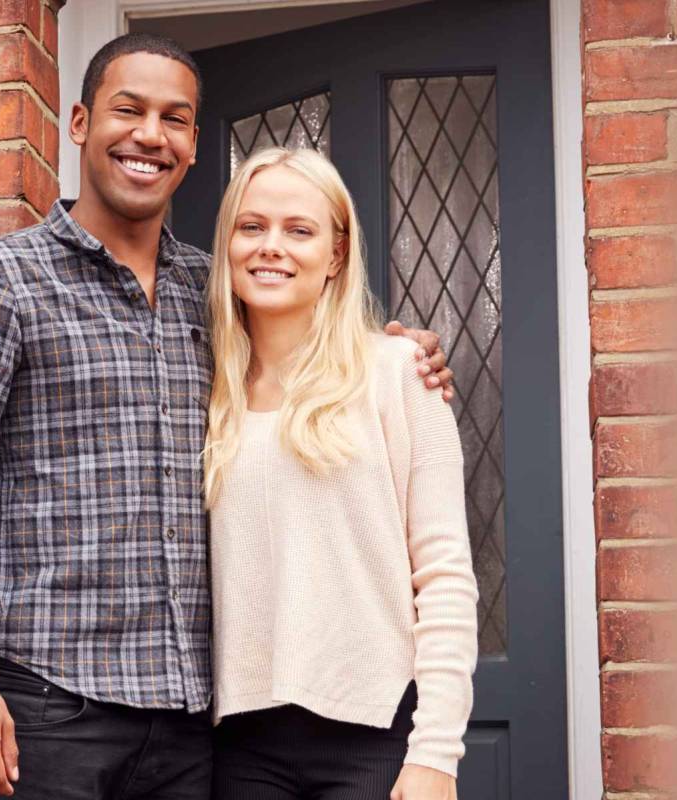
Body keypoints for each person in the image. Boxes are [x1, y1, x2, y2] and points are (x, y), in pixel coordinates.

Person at [0, 34, 455, 800]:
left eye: (175, 119)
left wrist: (397, 357)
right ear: (80, 122)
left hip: (190, 732)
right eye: (129, 110)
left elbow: (308, 359)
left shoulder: (216, 295)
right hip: (46, 711)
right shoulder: (0, 282)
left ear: (190, 147)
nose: (150, 135)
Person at [204, 147, 477, 800]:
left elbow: (444, 574)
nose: (271, 246)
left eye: (299, 230)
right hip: (240, 746)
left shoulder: (398, 372)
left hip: (374, 736)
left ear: (335, 255)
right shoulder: (206, 389)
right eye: (251, 226)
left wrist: (437, 751)